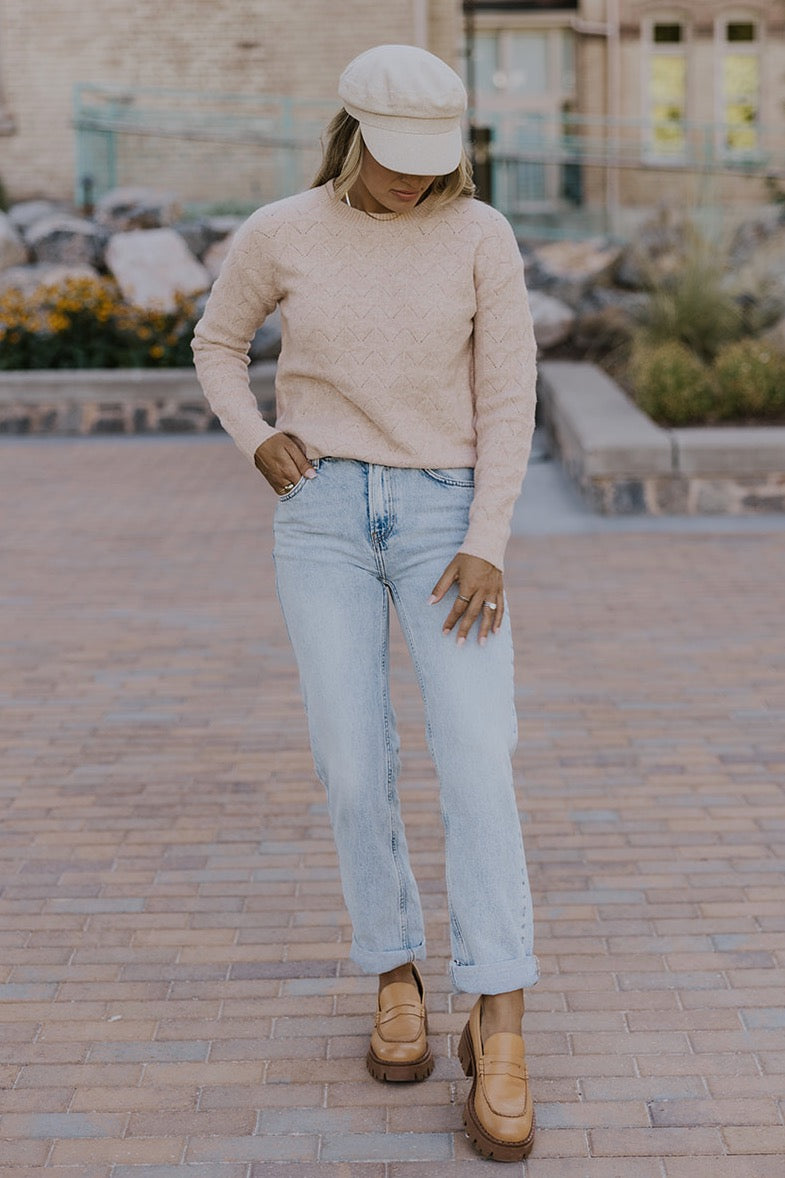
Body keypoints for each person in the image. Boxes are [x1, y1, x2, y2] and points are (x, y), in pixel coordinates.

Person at [192, 43, 539, 1163]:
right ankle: (393, 971)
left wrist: (487, 539)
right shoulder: (282, 230)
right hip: (324, 516)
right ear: (349, 133)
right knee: (351, 758)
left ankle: (498, 1014)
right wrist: (255, 437)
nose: (412, 177)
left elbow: (509, 395)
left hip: (446, 522)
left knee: (476, 753)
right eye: (393, 155)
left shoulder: (480, 235)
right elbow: (216, 343)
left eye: (431, 159)